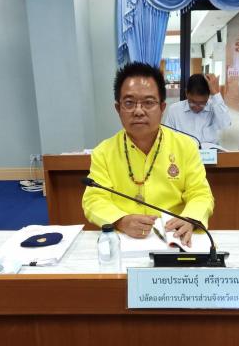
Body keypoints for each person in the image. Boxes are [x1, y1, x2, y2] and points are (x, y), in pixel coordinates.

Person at [82, 62, 213, 246]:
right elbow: (94, 198)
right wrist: (120, 220)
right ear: (118, 109)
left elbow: (200, 193)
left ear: (162, 107)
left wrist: (190, 218)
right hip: (124, 239)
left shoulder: (185, 147)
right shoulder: (103, 152)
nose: (138, 111)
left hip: (174, 239)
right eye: (129, 103)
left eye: (149, 102)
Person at [164, 73, 231, 145]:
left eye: (202, 103)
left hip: (209, 152)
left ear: (208, 96)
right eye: (193, 102)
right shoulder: (174, 110)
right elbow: (167, 138)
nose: (197, 107)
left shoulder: (214, 107)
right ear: (186, 93)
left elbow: (225, 124)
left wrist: (215, 93)